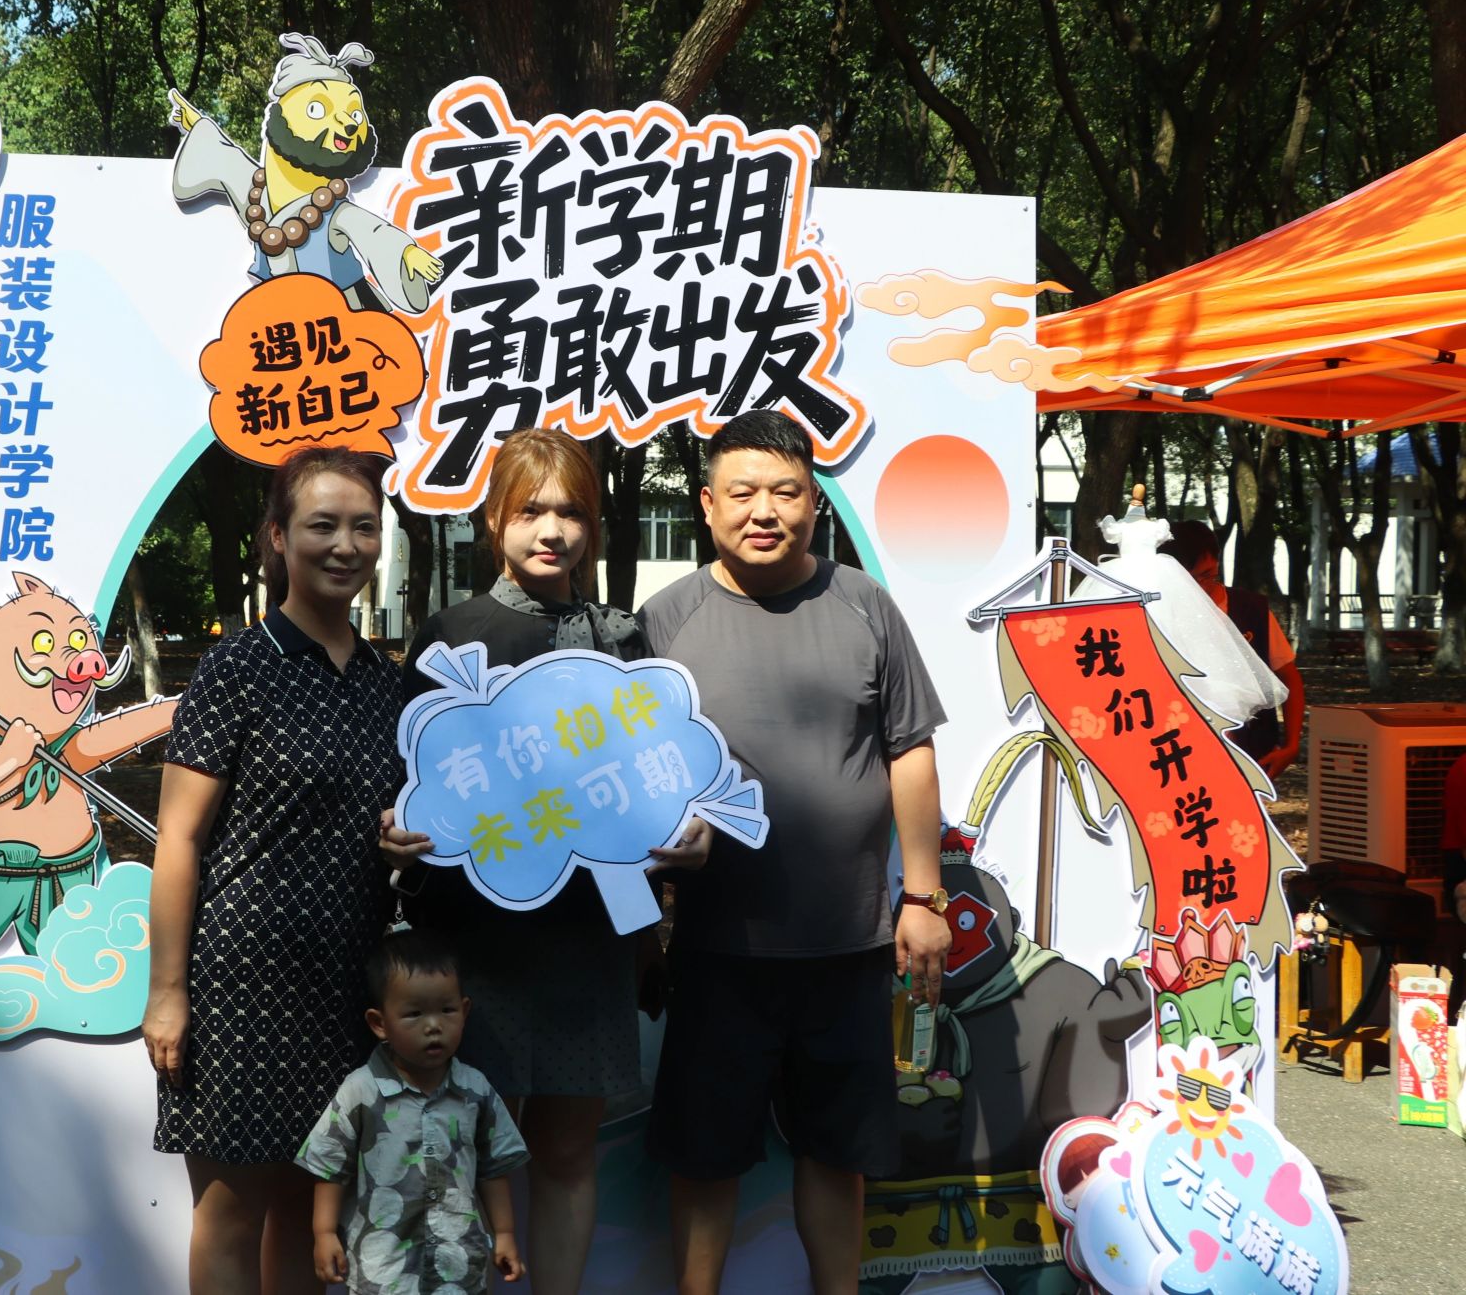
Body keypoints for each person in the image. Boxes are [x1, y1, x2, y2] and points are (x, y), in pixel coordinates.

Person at [379, 428, 710, 1295]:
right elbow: (409, 790)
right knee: (456, 1155)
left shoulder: (622, 641)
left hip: (588, 944)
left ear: (594, 526)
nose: (552, 529)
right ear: (495, 519)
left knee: (567, 1150)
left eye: (571, 511)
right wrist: (400, 839)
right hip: (470, 949)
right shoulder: (451, 637)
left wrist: (686, 836)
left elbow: (655, 778)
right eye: (531, 510)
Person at [638, 410, 950, 1295]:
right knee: (704, 1155)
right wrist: (644, 917)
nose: (764, 511)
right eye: (742, 492)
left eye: (785, 492)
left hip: (849, 942)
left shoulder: (863, 603)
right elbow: (632, 771)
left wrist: (922, 897)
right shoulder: (664, 620)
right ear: (707, 504)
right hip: (714, 948)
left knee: (837, 1152)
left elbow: (910, 748)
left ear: (815, 504)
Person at [144, 446, 404, 1295]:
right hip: (240, 987)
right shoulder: (238, 667)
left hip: (345, 985)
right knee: (231, 1213)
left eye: (364, 527)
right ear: (278, 537)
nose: (346, 545)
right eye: (323, 525)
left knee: (309, 1209)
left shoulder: (386, 685)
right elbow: (179, 838)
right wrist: (167, 991)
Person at [299, 928, 530, 1293]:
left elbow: (494, 1167)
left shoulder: (476, 1090)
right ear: (379, 1024)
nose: (433, 1026)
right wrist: (324, 1233)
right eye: (414, 1014)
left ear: (465, 1011)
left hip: (457, 1264)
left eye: (447, 1010)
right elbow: (330, 1165)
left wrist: (504, 1233)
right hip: (383, 1268)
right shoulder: (360, 1091)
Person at [1164, 520, 1306, 779]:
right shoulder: (1158, 614)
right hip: (1181, 754)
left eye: (1210, 575)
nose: (1203, 586)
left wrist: (1291, 745)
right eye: (1193, 579)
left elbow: (1289, 676)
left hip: (1250, 751)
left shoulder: (1250, 609)